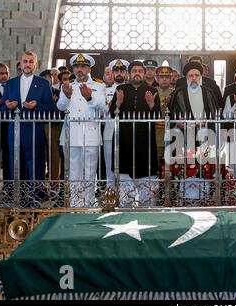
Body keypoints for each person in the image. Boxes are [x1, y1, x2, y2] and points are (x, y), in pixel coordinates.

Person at [0, 51, 56, 206]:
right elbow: (2, 110)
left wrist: (37, 105)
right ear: (20, 63)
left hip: (34, 132)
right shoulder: (11, 83)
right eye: (25, 61)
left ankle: (35, 199)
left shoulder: (43, 83)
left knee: (36, 165)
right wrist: (8, 106)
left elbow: (52, 109)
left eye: (31, 61)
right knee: (14, 164)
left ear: (35, 64)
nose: (28, 64)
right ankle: (15, 199)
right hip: (15, 132)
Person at [57, 53, 107, 207]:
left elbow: (104, 109)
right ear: (73, 69)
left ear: (89, 68)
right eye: (77, 67)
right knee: (73, 173)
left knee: (90, 173)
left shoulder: (99, 86)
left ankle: (89, 205)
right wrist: (65, 96)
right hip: (71, 135)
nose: (80, 69)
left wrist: (90, 97)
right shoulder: (67, 86)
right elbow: (60, 106)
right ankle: (75, 206)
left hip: (90, 135)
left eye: (83, 66)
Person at [109, 60, 160, 207]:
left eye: (140, 71)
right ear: (129, 73)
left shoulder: (152, 90)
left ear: (144, 74)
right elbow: (112, 114)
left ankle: (146, 208)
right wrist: (118, 102)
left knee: (146, 177)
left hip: (145, 141)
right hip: (124, 140)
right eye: (134, 71)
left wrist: (151, 104)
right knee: (124, 180)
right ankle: (125, 208)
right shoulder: (120, 89)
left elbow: (158, 117)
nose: (137, 73)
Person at [104, 59, 129, 187]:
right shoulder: (104, 90)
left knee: (125, 167)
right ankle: (110, 194)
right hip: (109, 133)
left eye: (122, 71)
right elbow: (102, 113)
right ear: (112, 73)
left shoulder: (131, 90)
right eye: (116, 71)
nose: (119, 73)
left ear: (126, 73)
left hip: (127, 135)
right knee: (109, 167)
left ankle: (125, 197)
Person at [155, 66, 174, 164]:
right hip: (156, 132)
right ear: (157, 79)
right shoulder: (152, 91)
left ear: (171, 78)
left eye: (167, 77)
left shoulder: (175, 92)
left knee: (171, 161)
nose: (165, 79)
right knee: (156, 160)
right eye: (162, 77)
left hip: (171, 132)